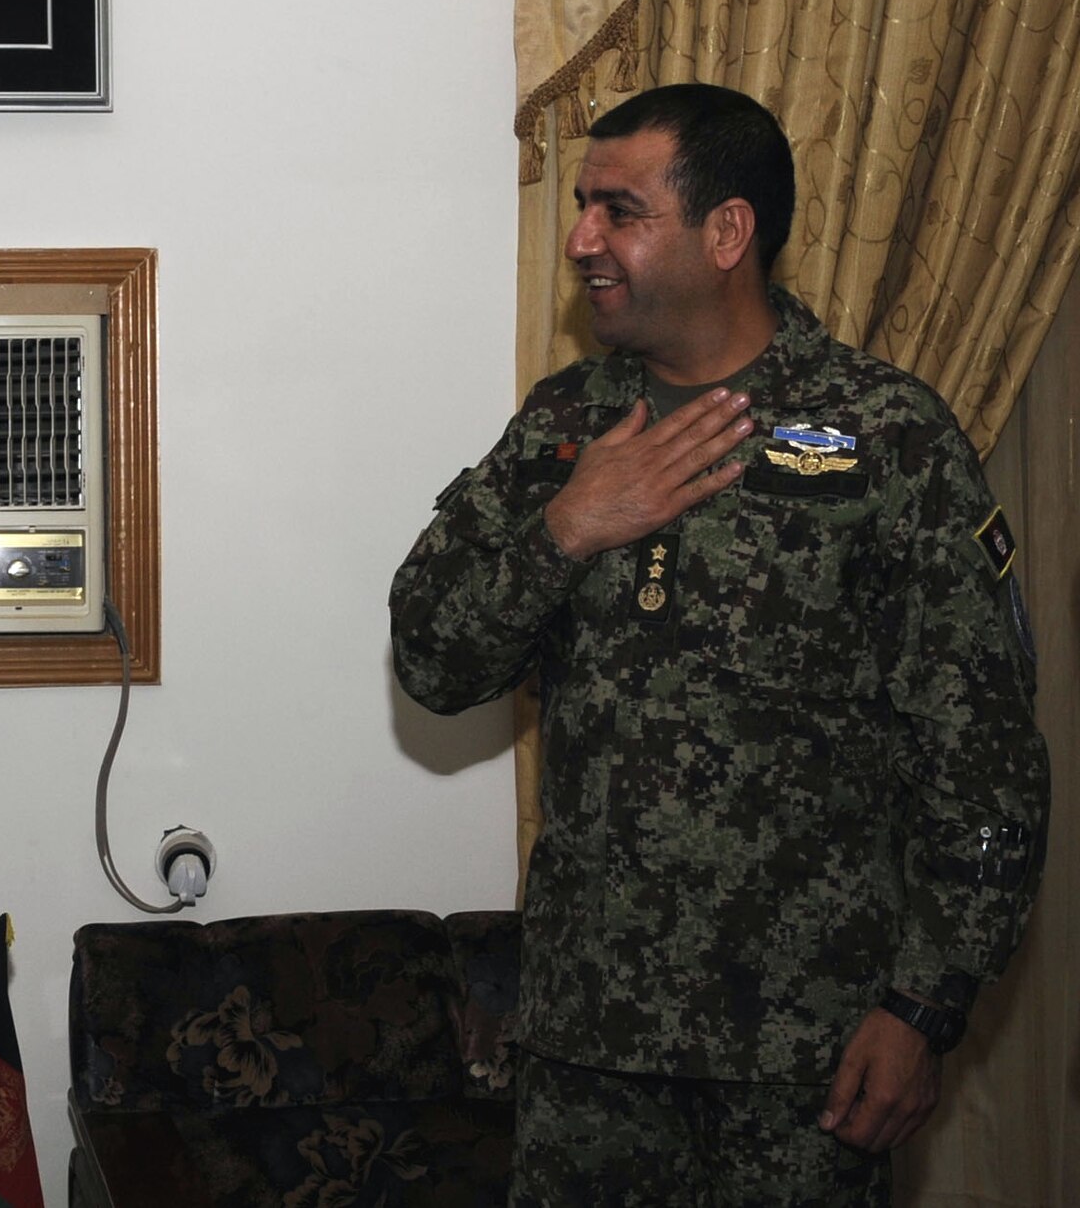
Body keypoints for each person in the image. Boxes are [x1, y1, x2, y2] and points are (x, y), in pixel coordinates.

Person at [389, 84, 1048, 1205]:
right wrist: (565, 528)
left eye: (618, 210)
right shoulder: (562, 426)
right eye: (583, 208)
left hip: (804, 1058)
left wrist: (922, 1008)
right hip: (586, 1047)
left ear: (724, 232)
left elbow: (980, 756)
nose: (580, 239)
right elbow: (430, 662)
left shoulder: (882, 437)